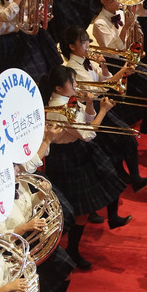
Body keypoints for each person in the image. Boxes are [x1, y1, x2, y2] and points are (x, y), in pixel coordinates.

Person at [41, 65, 130, 269]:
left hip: (76, 151)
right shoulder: (61, 109)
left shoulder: (69, 101)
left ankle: (77, 241)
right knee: (76, 208)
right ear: (58, 88)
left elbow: (87, 119)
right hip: (67, 157)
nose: (75, 85)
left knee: (87, 201)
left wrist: (90, 103)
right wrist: (104, 110)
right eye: (71, 83)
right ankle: (71, 248)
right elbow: (89, 133)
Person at [61, 25, 147, 195]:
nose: (87, 46)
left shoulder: (88, 59)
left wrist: (104, 66)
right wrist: (122, 71)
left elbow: (104, 79)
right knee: (127, 137)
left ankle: (127, 176)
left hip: (103, 103)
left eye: (87, 42)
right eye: (83, 43)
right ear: (71, 47)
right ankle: (134, 179)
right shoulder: (72, 68)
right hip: (94, 107)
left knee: (119, 140)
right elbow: (100, 88)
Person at [0, 169, 79, 292]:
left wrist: (41, 194)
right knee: (27, 285)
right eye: (15, 168)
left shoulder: (21, 181)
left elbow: (29, 202)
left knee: (66, 267)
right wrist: (24, 228)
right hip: (12, 249)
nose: (20, 170)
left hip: (32, 236)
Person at [92, 0, 147, 137]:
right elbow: (111, 50)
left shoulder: (122, 13)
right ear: (103, 1)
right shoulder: (99, 23)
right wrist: (125, 28)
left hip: (128, 58)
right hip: (114, 64)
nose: (119, 1)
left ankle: (145, 124)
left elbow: (132, 38)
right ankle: (130, 122)